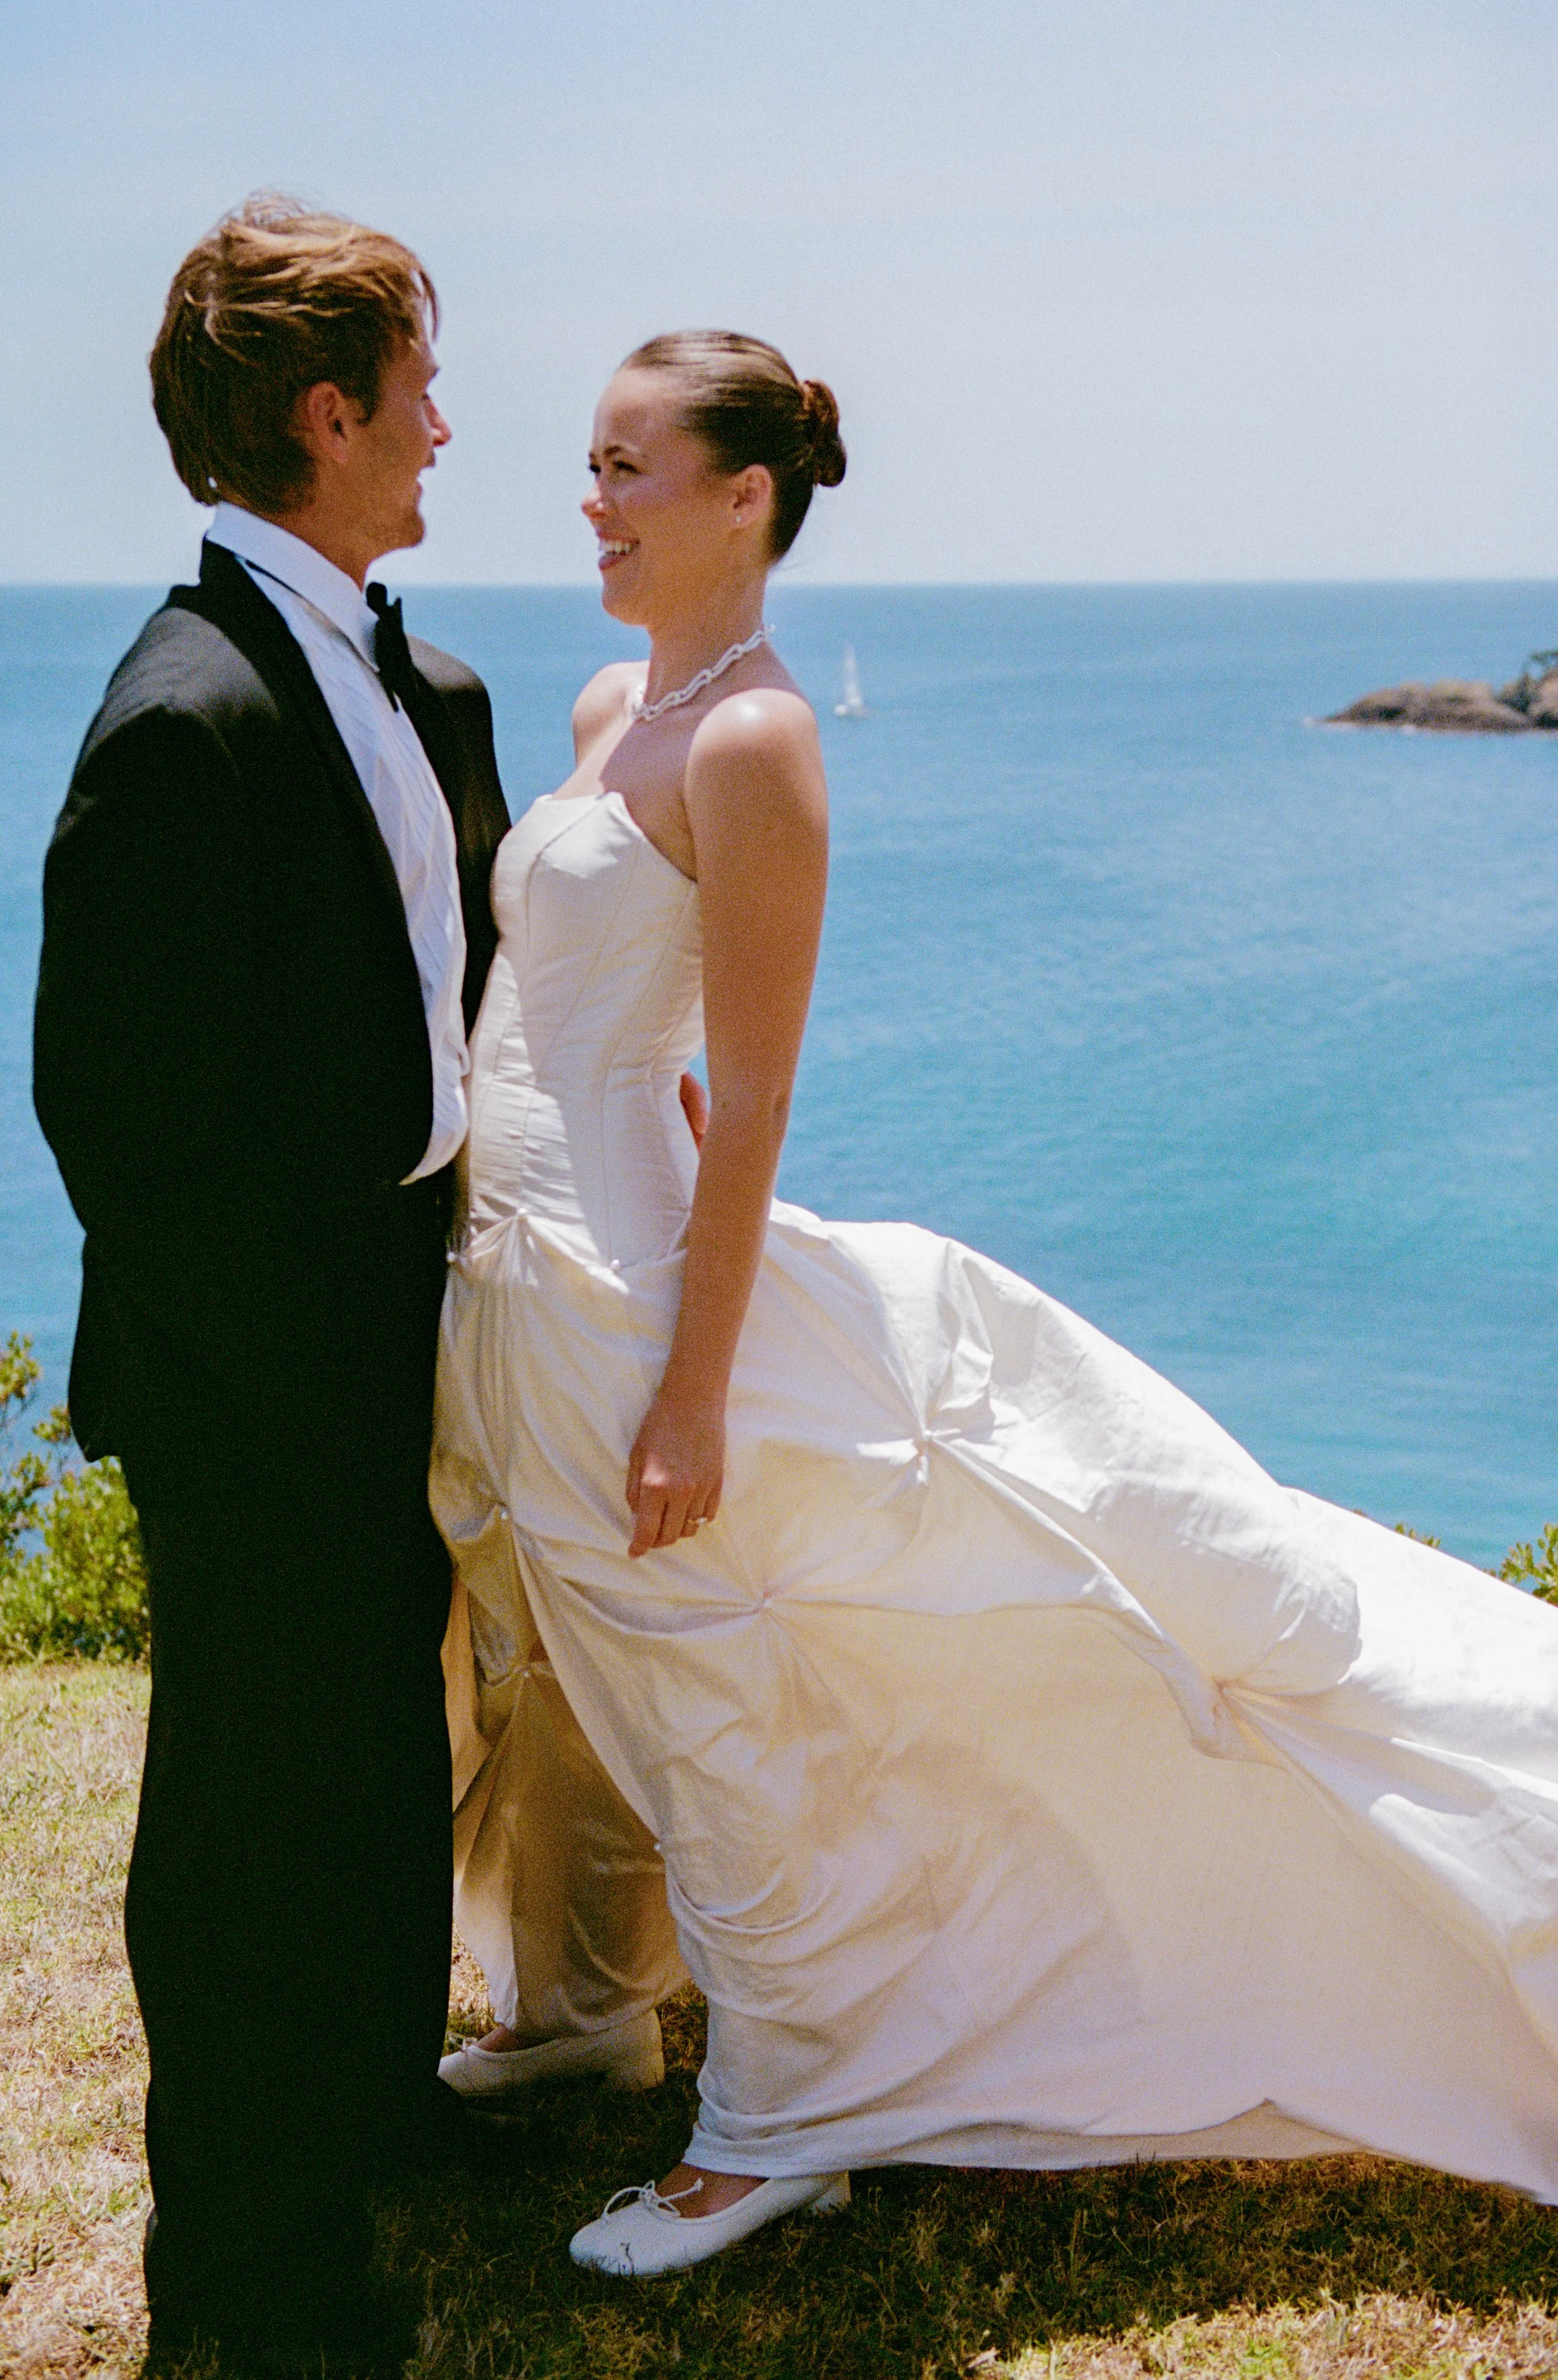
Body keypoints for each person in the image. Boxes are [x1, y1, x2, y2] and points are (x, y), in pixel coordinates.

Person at [432, 324, 1558, 2281]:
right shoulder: (616, 700)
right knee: (597, 1681)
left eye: (628, 468)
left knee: (713, 1695)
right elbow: (612, 1005)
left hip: (627, 1297)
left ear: (744, 500)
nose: (589, 502)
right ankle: (594, 2016)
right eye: (590, 463)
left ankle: (775, 2121)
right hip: (516, 1265)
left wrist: (694, 1390)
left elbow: (761, 1089)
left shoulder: (763, 737)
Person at [33, 196, 511, 2371]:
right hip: (258, 1376)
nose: (446, 420)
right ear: (329, 413)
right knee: (249, 1811)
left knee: (383, 1766)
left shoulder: (426, 676)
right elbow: (120, 1130)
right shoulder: (184, 715)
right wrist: (300, 1381)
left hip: (406, 1307)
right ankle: (245, 2260)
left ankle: (369, 2122)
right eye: (419, 382)